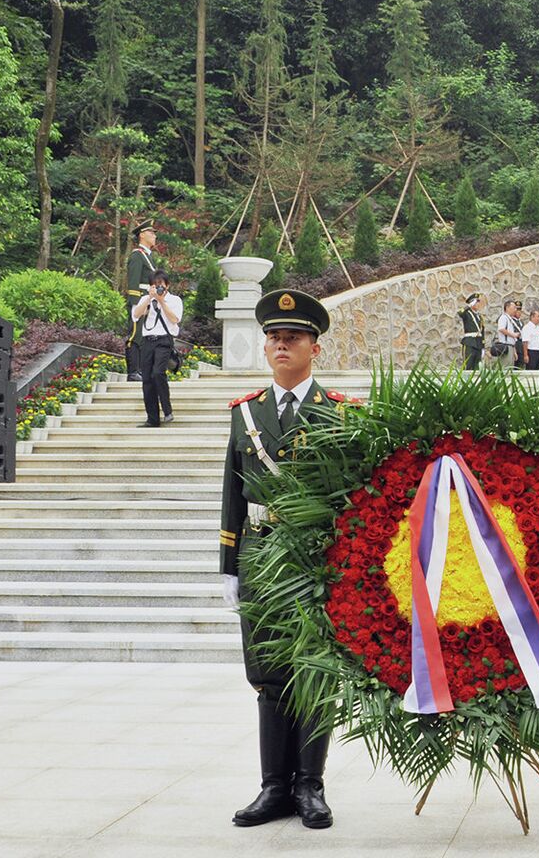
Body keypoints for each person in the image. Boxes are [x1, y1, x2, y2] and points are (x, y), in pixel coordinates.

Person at [221, 288, 351, 831]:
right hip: (260, 557)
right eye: (274, 338)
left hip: (313, 558)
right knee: (269, 675)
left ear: (314, 348)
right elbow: (232, 488)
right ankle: (273, 785)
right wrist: (229, 564)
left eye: (292, 338)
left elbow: (348, 495)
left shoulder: (337, 413)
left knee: (313, 670)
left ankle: (309, 785)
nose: (280, 346)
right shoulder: (245, 413)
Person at [131, 271, 183, 427]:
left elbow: (175, 319)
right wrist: (149, 298)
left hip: (164, 341)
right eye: (155, 285)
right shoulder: (146, 299)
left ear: (167, 285)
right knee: (147, 379)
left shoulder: (174, 300)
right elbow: (135, 315)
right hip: (147, 341)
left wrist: (162, 301)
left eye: (161, 285)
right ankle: (152, 419)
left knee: (158, 372)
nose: (159, 287)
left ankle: (167, 410)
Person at [123, 221, 160, 381]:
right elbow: (133, 283)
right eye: (151, 233)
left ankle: (141, 370)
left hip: (149, 300)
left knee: (144, 336)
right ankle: (133, 371)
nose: (154, 236)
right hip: (140, 302)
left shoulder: (148, 257)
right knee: (135, 335)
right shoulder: (137, 256)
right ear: (142, 235)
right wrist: (136, 304)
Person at [458, 294, 486, 370]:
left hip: (478, 343)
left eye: (478, 302)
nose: (478, 304)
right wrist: (469, 306)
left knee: (477, 366)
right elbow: (460, 313)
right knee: (468, 365)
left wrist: (483, 347)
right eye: (476, 302)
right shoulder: (467, 313)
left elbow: (482, 332)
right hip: (469, 342)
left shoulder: (480, 317)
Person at [497, 300, 524, 369]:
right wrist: (513, 334)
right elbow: (501, 329)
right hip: (506, 346)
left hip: (511, 346)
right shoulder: (503, 317)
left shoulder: (509, 319)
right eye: (514, 307)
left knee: (511, 367)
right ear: (507, 308)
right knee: (506, 367)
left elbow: (512, 339)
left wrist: (514, 351)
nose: (515, 310)